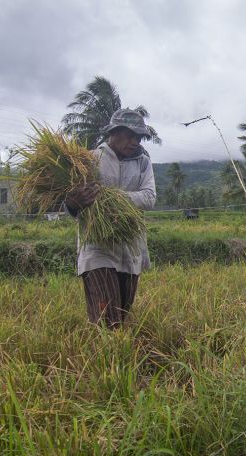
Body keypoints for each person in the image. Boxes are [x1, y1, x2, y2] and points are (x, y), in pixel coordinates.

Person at [64, 109, 156, 328]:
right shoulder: (90, 160)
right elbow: (70, 202)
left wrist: (110, 197)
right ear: (114, 133)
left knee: (122, 317)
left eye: (139, 137)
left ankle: (116, 359)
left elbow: (149, 197)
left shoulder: (143, 162)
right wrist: (74, 202)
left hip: (131, 250)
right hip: (97, 248)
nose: (135, 141)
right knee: (107, 321)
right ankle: (103, 359)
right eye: (130, 135)